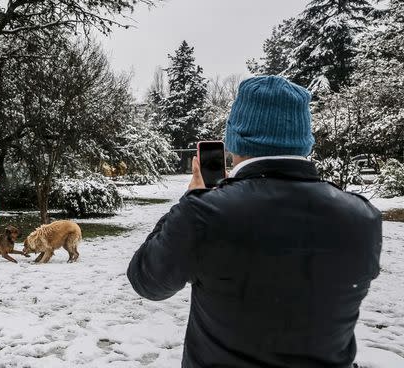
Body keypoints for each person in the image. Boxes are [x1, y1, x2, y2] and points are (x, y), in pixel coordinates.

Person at [127, 75, 382, 368]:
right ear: (304, 140)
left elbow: (147, 281)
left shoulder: (205, 214)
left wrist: (190, 201)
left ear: (235, 140)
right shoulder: (363, 217)